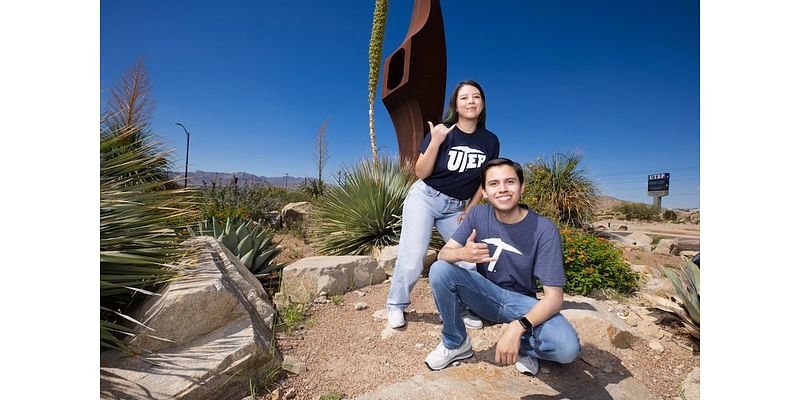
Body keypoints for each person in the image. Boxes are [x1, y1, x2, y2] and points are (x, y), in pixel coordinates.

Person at [423, 158, 581, 374]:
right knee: (440, 270)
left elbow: (554, 298)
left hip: (521, 303)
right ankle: (456, 343)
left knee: (567, 349)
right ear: (485, 192)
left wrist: (519, 326)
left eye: (510, 182)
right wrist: (462, 253)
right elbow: (443, 254)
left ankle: (524, 347)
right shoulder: (478, 214)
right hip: (485, 295)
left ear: (522, 187)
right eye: (494, 184)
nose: (503, 189)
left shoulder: (544, 230)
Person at [386, 80, 500, 329]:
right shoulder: (442, 131)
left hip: (456, 208)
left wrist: (470, 209)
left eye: (476, 97)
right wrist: (435, 142)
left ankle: (461, 307)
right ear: (456, 105)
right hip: (426, 198)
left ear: (482, 104)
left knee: (467, 259)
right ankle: (396, 304)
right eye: (464, 98)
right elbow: (420, 172)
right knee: (413, 256)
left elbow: (485, 180)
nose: (471, 101)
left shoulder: (490, 141)